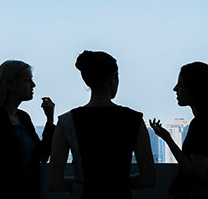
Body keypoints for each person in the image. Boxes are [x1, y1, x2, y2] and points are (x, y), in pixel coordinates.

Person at [48, 50, 156, 199]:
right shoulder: (134, 120)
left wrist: (81, 183)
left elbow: (54, 183)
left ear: (87, 80)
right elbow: (149, 179)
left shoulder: (66, 121)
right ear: (114, 78)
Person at [150, 62, 208, 199]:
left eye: (181, 84)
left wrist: (168, 139)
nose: (175, 89)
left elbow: (196, 173)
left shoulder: (202, 124)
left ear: (194, 88)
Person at [0, 60, 55, 199]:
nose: (33, 85)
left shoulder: (23, 117)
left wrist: (50, 120)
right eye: (28, 80)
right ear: (11, 85)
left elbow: (42, 155)